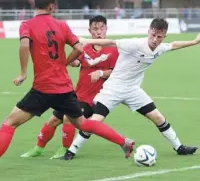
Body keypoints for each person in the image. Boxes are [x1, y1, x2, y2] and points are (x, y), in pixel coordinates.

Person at [0, 0, 134, 178]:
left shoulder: (27, 25)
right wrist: (64, 62)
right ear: (52, 6)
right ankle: (124, 142)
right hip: (64, 88)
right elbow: (80, 47)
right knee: (83, 123)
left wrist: (23, 72)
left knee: (10, 122)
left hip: (43, 88)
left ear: (35, 6)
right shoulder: (61, 25)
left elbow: (24, 45)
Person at [63, 18, 199, 160]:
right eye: (153, 35)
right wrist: (86, 41)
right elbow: (111, 42)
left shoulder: (160, 47)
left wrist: (194, 42)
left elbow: (174, 45)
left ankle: (179, 147)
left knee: (158, 117)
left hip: (133, 91)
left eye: (159, 37)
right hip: (113, 89)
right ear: (148, 32)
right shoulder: (135, 44)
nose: (154, 39)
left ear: (163, 37)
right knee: (95, 120)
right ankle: (71, 151)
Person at [20, 15, 119, 159]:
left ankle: (66, 149)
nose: (99, 32)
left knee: (68, 118)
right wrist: (70, 60)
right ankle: (38, 148)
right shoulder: (84, 48)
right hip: (76, 95)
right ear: (90, 30)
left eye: (102, 28)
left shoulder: (114, 50)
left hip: (95, 98)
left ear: (106, 29)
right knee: (53, 120)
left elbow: (116, 72)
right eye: (95, 28)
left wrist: (101, 72)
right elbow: (76, 62)